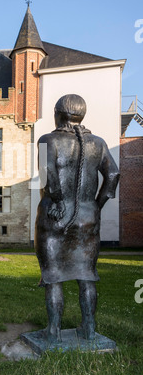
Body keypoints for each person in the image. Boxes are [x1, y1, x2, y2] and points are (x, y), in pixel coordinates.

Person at [35, 94, 120, 342]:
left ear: (58, 114)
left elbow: (46, 174)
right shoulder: (99, 143)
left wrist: (58, 200)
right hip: (87, 216)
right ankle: (89, 329)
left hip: (54, 216)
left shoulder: (47, 140)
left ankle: (53, 331)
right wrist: (97, 205)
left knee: (53, 277)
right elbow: (113, 175)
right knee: (86, 274)